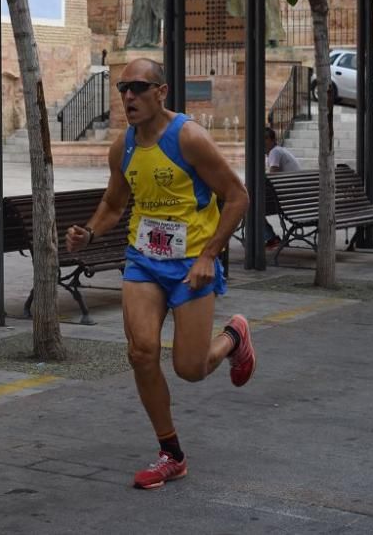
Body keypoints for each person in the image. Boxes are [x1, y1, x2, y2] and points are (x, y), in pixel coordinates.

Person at [65, 57, 254, 490]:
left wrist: (209, 255)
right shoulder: (123, 147)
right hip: (144, 261)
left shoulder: (188, 137)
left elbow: (237, 196)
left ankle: (234, 338)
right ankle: (171, 453)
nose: (128, 96)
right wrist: (89, 233)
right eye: (122, 88)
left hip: (191, 266)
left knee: (190, 368)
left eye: (138, 87)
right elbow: (114, 205)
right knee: (141, 352)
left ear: (161, 92)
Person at [262, 127, 301, 247]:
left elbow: (272, 177)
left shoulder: (274, 152)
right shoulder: (279, 150)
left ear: (273, 140)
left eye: (266, 139)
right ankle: (269, 237)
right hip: (294, 198)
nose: (263, 142)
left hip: (285, 200)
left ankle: (271, 238)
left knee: (250, 208)